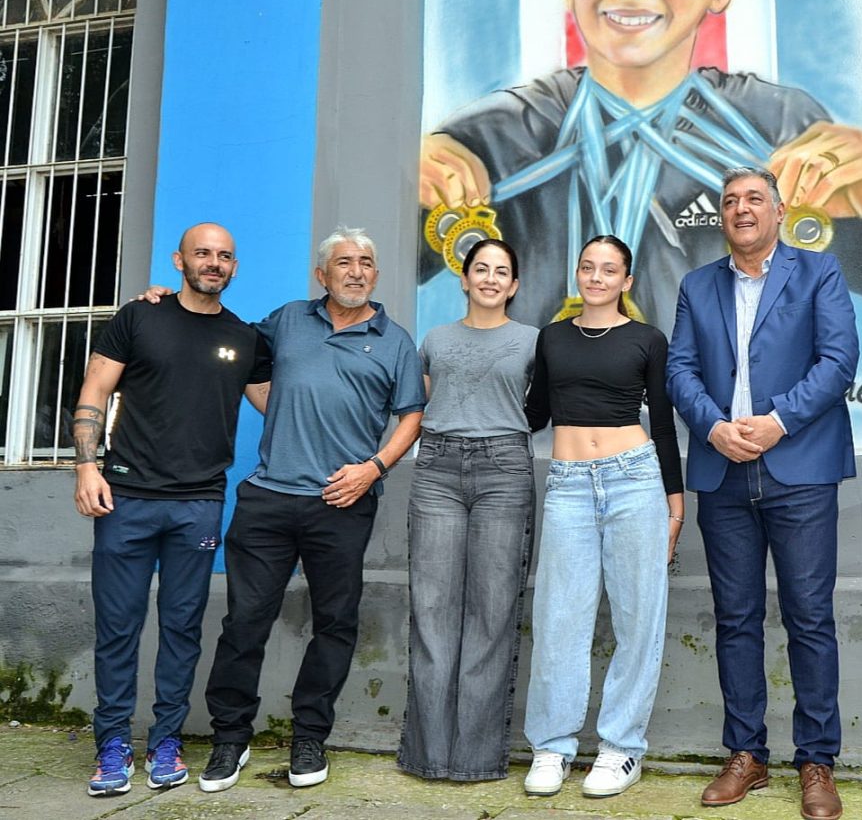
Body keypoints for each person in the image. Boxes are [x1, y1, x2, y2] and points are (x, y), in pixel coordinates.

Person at [418, 0, 862, 334]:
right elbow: (370, 272)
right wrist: (404, 185)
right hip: (545, 410)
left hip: (722, 409)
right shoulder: (497, 138)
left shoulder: (777, 131)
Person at [196, 227, 425, 793]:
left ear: (375, 274)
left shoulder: (394, 340)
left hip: (342, 503)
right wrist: (163, 300)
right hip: (269, 498)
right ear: (321, 275)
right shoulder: (288, 319)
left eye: (365, 263)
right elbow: (238, 350)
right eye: (343, 262)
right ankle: (230, 739)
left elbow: (411, 418)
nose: (355, 271)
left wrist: (374, 468)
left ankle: (309, 737)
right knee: (244, 623)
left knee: (336, 624)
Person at [666, 167, 859, 819]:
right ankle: (746, 752)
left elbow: (837, 361)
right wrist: (714, 426)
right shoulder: (698, 285)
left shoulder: (818, 272)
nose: (741, 209)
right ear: (720, 216)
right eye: (730, 201)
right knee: (736, 617)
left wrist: (777, 420)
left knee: (809, 616)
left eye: (754, 199)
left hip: (798, 469)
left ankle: (816, 760)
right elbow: (680, 370)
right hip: (723, 472)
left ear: (779, 211)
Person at [72, 223, 271, 797]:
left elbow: (281, 402)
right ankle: (111, 746)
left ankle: (165, 740)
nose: (214, 263)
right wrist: (88, 467)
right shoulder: (140, 317)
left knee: (182, 629)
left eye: (225, 256)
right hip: (125, 499)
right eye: (203, 253)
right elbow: (94, 392)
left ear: (235, 267)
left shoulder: (246, 338)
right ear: (179, 259)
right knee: (117, 629)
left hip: (199, 506)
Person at [521, 235, 683, 799]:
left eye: (608, 269)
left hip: (635, 479)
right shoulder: (551, 338)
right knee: (559, 616)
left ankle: (620, 749)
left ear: (626, 281)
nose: (595, 276)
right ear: (577, 274)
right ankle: (552, 745)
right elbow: (534, 412)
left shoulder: (647, 339)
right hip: (567, 485)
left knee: (639, 618)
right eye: (587, 267)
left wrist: (675, 500)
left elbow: (661, 420)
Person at [397, 239, 539, 781]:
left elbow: (542, 405)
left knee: (492, 613)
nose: (490, 278)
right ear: (464, 278)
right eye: (481, 269)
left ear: (515, 284)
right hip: (436, 470)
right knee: (432, 612)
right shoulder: (434, 339)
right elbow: (419, 402)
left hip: (504, 470)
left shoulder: (532, 341)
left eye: (502, 271)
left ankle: (477, 760)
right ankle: (429, 756)